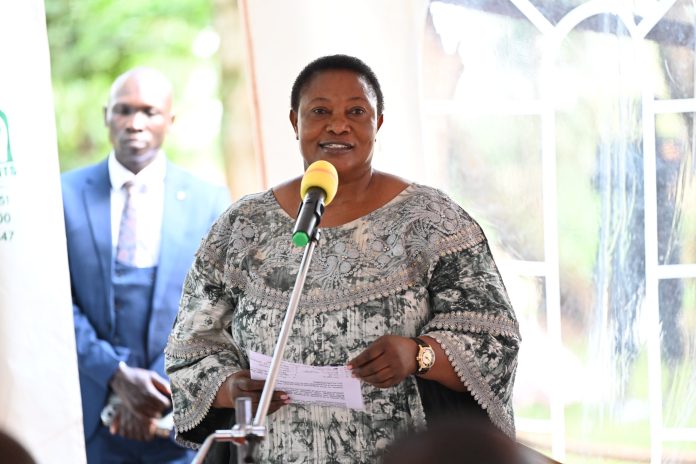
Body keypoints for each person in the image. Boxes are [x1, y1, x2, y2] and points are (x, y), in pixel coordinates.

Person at [165, 54, 520, 463]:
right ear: (295, 121)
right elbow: (191, 343)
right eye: (320, 111)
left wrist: (419, 354)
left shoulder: (432, 221)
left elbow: (495, 338)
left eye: (356, 111)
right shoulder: (243, 225)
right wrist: (230, 388)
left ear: (378, 123)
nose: (337, 125)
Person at [61, 67, 230, 463]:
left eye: (149, 112)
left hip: (177, 414)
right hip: (91, 415)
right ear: (106, 115)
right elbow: (54, 301)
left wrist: (152, 389)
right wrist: (116, 375)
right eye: (124, 110)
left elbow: (219, 304)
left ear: (170, 120)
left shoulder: (209, 201)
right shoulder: (63, 196)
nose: (135, 123)